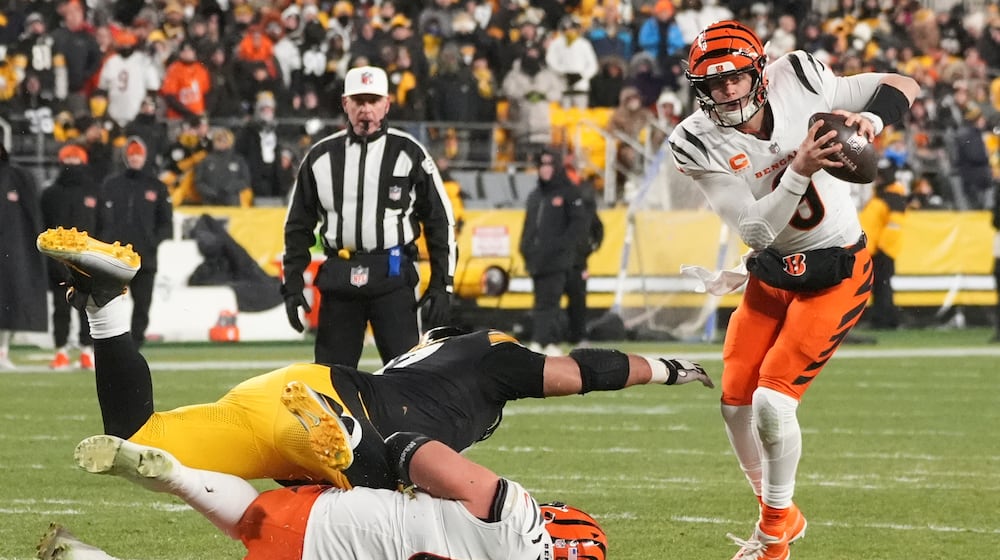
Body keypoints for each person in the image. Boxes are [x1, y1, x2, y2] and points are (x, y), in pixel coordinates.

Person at [36, 226, 712, 491]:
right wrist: (672, 368)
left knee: (137, 443)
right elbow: (583, 371)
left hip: (288, 387)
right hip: (346, 415)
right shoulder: (491, 353)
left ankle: (105, 306)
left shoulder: (418, 355)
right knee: (399, 490)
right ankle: (349, 451)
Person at [668, 20, 919, 560]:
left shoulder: (802, 76)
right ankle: (779, 509)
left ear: (758, 72)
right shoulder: (694, 139)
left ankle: (774, 536)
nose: (727, 90)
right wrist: (799, 170)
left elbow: (905, 84)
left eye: (735, 77)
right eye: (714, 84)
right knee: (734, 402)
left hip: (836, 270)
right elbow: (755, 231)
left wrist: (870, 118)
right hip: (774, 270)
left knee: (772, 402)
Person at [44, 426, 607, 560]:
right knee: (252, 527)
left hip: (339, 522)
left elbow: (421, 454)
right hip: (341, 551)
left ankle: (177, 476)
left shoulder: (520, 518)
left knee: (253, 517)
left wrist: (397, 468)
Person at [282, 65, 457, 368]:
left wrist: (443, 283)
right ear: (345, 104)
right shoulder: (320, 156)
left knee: (407, 376)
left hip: (391, 274)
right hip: (339, 273)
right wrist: (293, 283)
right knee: (331, 378)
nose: (366, 109)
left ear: (387, 104)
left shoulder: (409, 152)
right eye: (359, 101)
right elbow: (298, 226)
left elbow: (439, 221)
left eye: (373, 101)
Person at [95, 137, 173, 347]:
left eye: (139, 154)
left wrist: (152, 242)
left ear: (145, 157)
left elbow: (166, 223)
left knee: (142, 303)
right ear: (126, 157)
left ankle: (135, 344)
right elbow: (99, 219)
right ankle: (111, 343)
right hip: (114, 257)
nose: (136, 158)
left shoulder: (157, 186)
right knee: (109, 303)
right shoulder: (111, 185)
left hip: (144, 257)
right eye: (132, 154)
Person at [520, 148, 589, 356]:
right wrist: (526, 249)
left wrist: (562, 248)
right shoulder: (535, 195)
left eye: (550, 165)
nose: (545, 170)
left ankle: (541, 341)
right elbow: (529, 227)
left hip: (558, 260)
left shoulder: (569, 193)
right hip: (537, 259)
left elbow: (579, 226)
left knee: (549, 302)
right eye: (542, 165)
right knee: (543, 301)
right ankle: (548, 341)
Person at [40, 144, 100, 370]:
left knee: (87, 308)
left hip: (87, 259)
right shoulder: (50, 193)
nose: (72, 165)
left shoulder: (93, 191)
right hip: (59, 259)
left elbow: (102, 225)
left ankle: (87, 351)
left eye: (76, 160)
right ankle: (61, 351)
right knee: (61, 307)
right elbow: (43, 227)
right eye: (69, 160)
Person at [0, 142, 48, 370]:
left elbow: (33, 216)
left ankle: (3, 352)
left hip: (11, 253)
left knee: (10, 301)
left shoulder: (18, 178)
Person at [858, 162, 908, 330]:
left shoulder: (892, 197)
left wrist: (882, 247)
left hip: (883, 249)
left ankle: (882, 320)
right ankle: (890, 318)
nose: (877, 179)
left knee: (881, 285)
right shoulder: (883, 195)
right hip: (877, 248)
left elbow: (895, 225)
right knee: (881, 285)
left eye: (880, 176)